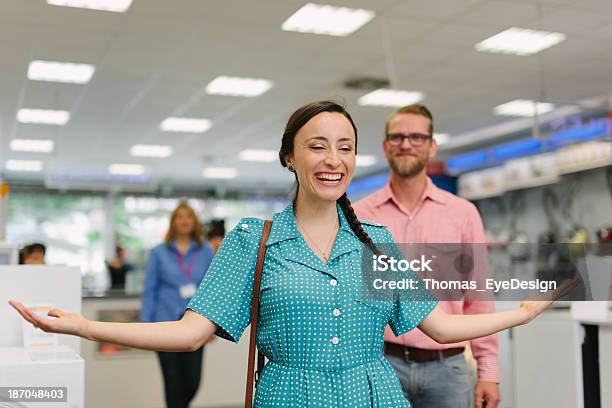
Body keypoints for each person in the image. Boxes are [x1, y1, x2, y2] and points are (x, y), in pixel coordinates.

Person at [9, 101, 577, 408]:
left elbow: (437, 326)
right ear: (289, 158)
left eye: (346, 147)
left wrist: (520, 312)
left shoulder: (378, 242)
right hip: (289, 395)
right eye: (318, 145)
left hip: (373, 395)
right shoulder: (252, 239)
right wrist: (85, 325)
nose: (334, 158)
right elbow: (189, 333)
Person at [354, 104, 500, 408]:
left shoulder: (462, 214)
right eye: (397, 137)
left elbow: (479, 296)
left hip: (448, 369)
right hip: (380, 365)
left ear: (432, 146)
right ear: (385, 146)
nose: (406, 144)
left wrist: (489, 371)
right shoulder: (359, 215)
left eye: (417, 137)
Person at [140, 201, 215, 408]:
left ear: (195, 222)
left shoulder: (206, 251)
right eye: (179, 216)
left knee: (192, 382)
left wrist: (212, 326)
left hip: (195, 324)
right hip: (164, 325)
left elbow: (211, 290)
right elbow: (150, 290)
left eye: (188, 216)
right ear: (173, 222)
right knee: (172, 384)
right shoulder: (158, 253)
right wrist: (145, 325)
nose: (184, 221)